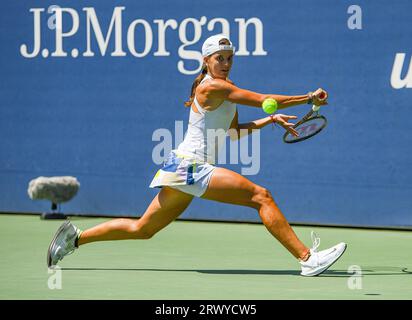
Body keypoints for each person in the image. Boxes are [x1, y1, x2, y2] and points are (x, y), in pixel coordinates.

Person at [47, 34, 346, 276]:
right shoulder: (212, 87)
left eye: (230, 59)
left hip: (182, 168)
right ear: (206, 61)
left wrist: (269, 120)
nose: (226, 63)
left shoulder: (224, 89)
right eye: (220, 59)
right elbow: (264, 100)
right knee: (261, 196)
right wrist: (307, 97)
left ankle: (73, 238)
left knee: (143, 228)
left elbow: (232, 132)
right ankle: (307, 258)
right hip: (191, 166)